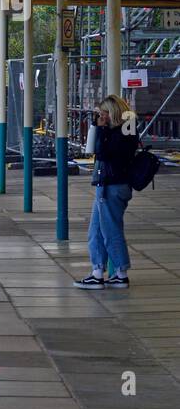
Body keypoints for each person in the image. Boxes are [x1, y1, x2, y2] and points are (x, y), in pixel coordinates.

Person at [75, 94, 138, 289]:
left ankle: (120, 271)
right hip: (111, 184)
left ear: (113, 113)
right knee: (95, 230)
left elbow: (102, 152)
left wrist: (102, 129)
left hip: (112, 185)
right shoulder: (127, 128)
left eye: (104, 114)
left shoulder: (120, 132)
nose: (102, 117)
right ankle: (97, 271)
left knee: (110, 230)